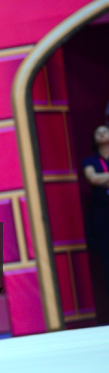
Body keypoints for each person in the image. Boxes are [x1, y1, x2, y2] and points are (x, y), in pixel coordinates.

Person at [83, 124, 109, 297]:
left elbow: (100, 179)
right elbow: (92, 178)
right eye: (97, 132)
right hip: (102, 215)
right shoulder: (90, 161)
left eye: (104, 131)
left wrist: (104, 179)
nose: (101, 134)